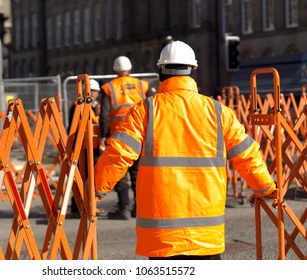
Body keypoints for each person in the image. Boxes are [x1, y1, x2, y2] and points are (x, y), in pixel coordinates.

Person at [93, 40, 277, 259]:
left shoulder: (146, 110)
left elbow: (118, 155)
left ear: (160, 71)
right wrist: (265, 187)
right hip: (206, 232)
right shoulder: (219, 111)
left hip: (161, 234)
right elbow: (247, 155)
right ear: (193, 71)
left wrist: (94, 191)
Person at [99, 56, 149, 220]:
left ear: (115, 70)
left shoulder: (109, 88)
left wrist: (103, 135)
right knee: (138, 173)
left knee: (120, 172)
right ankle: (140, 207)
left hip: (119, 136)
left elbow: (104, 115)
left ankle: (124, 208)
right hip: (140, 134)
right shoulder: (142, 85)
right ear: (130, 69)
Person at [68, 79, 104, 217]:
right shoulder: (77, 106)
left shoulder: (100, 106)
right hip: (81, 147)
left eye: (94, 91)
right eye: (90, 91)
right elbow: (72, 127)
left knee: (93, 179)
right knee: (81, 177)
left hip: (96, 147)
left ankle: (90, 205)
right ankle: (77, 206)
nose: (92, 93)